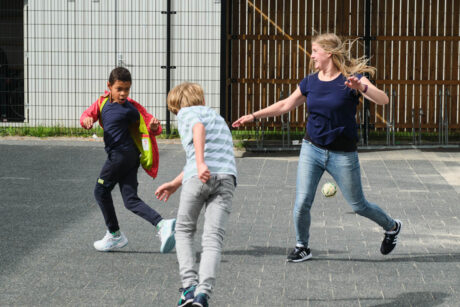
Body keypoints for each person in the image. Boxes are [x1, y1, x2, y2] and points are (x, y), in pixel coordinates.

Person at [232, 33, 401, 263]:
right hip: (312, 149)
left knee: (358, 205)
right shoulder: (310, 82)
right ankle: (302, 246)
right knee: (302, 202)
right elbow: (284, 105)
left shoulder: (352, 79)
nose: (311, 56)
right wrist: (253, 116)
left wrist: (361, 86)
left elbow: (383, 100)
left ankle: (391, 227)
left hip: (343, 154)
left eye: (315, 51)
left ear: (328, 53)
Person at [155, 82, 237, 307]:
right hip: (226, 178)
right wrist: (174, 183)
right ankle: (203, 295)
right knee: (213, 239)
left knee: (183, 230)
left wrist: (201, 164)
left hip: (200, 178)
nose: (176, 114)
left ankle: (189, 288)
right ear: (201, 99)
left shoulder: (187, 113)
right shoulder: (218, 118)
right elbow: (205, 154)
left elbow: (197, 128)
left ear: (177, 106)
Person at [80, 67, 176, 253]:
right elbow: (87, 115)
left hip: (121, 156)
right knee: (130, 200)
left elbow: (149, 123)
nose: (123, 93)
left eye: (127, 89)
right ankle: (162, 224)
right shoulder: (101, 103)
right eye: (119, 89)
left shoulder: (132, 107)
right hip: (129, 158)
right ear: (109, 86)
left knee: (100, 190)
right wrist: (85, 121)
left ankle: (114, 234)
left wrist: (155, 126)